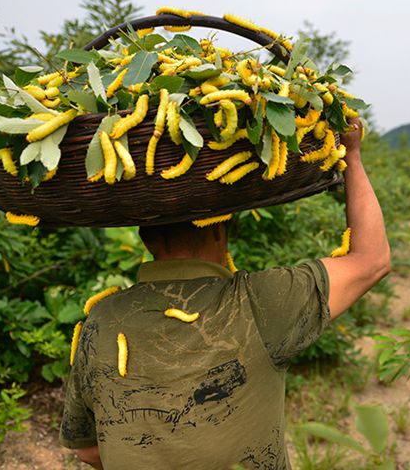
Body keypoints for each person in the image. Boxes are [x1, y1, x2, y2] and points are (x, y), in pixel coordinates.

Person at [59, 118, 390, 470]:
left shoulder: (100, 322)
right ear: (220, 231)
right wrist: (352, 155)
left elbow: (87, 450)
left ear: (145, 237)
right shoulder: (259, 303)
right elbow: (372, 260)